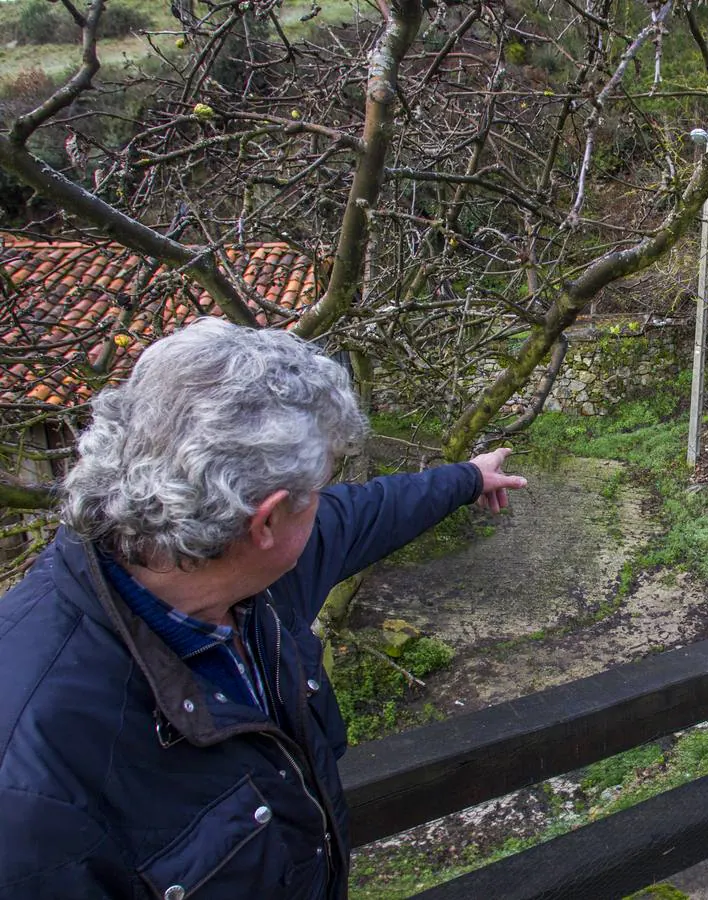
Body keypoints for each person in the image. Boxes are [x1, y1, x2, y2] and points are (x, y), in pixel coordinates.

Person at [0, 317, 527, 899]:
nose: (328, 502)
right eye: (320, 489)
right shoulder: (32, 779)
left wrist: (466, 478)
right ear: (267, 521)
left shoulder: (239, 573)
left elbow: (367, 512)